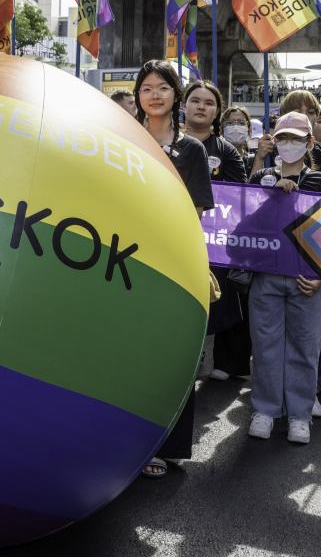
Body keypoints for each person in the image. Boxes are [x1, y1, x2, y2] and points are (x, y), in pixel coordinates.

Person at [133, 60, 213, 478]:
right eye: (146, 88)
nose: (155, 95)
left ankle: (165, 446)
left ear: (175, 94)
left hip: (170, 260)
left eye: (163, 87)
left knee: (167, 356)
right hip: (122, 254)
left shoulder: (192, 150)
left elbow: (195, 212)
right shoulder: (120, 137)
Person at [247, 112, 321, 444]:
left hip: (308, 280)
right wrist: (272, 198)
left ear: (309, 143)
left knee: (305, 347)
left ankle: (299, 414)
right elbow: (247, 228)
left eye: (296, 140)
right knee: (266, 346)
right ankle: (266, 410)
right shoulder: (262, 179)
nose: (288, 145)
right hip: (266, 276)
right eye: (283, 138)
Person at [182, 82, 250, 381]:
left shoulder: (227, 152)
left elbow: (240, 197)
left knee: (221, 296)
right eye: (194, 100)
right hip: (176, 235)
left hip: (214, 240)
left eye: (208, 103)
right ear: (183, 104)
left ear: (216, 111)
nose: (200, 106)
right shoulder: (170, 142)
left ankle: (226, 361)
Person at [273, 91, 321, 192]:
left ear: (316, 118)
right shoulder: (271, 151)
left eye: (310, 112)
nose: (304, 116)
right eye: (298, 112)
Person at [221, 106, 256, 177]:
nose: (236, 127)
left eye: (241, 123)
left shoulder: (253, 161)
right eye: (230, 123)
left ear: (248, 128)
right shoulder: (214, 158)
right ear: (222, 128)